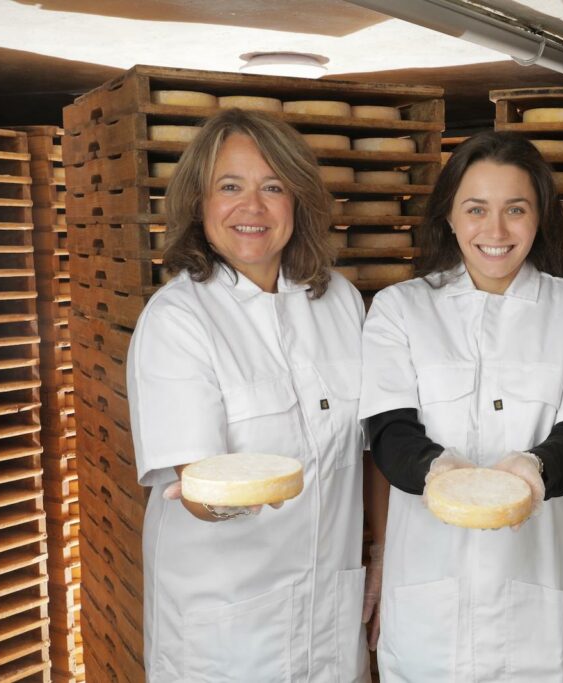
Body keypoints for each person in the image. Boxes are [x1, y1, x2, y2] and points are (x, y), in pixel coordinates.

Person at [127, 108, 383, 682]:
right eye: (230, 187)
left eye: (273, 187)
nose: (253, 207)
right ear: (199, 203)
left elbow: (370, 447)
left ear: (298, 201)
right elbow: (196, 486)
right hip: (227, 624)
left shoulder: (339, 301)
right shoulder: (179, 319)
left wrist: (382, 554)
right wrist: (211, 498)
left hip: (330, 615)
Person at [359, 131, 563, 681]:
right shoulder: (400, 310)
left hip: (538, 604)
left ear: (539, 218)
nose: (496, 231)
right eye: (476, 209)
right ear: (449, 217)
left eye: (516, 210)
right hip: (428, 602)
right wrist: (441, 471)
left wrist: (532, 468)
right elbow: (389, 431)